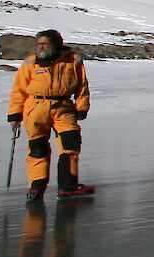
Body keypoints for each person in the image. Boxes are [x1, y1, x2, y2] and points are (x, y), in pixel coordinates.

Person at [7, 29, 94, 201]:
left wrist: (82, 107)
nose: (41, 47)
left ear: (56, 44)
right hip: (36, 107)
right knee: (38, 147)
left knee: (70, 144)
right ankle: (36, 188)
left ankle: (68, 186)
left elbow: (82, 85)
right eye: (38, 44)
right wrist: (15, 115)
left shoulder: (73, 60)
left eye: (44, 44)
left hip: (63, 107)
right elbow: (19, 90)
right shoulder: (30, 63)